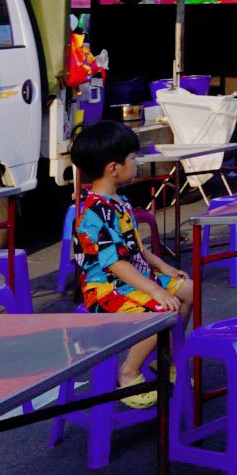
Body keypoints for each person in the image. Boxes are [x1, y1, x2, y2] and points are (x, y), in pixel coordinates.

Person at [70, 121, 190, 408]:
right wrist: (156, 291)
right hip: (106, 288)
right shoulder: (92, 212)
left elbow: (136, 248)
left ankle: (167, 358)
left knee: (189, 290)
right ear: (114, 168)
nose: (137, 164)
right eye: (133, 159)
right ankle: (128, 372)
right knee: (164, 308)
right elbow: (114, 264)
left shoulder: (118, 202)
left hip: (135, 278)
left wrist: (163, 266)